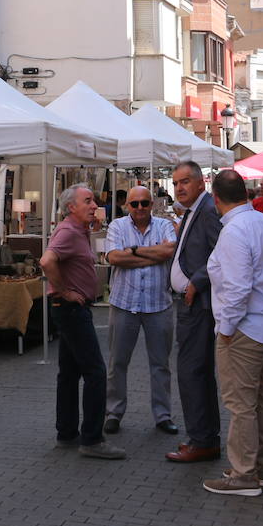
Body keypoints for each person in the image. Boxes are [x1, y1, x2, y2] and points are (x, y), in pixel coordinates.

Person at [202, 170, 263, 497]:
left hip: (246, 328)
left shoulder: (235, 231)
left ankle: (243, 474)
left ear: (216, 199)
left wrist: (225, 328)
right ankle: (260, 467)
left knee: (241, 404)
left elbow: (238, 288)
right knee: (261, 399)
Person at [40, 185, 123, 459]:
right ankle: (92, 439)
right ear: (71, 207)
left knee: (69, 373)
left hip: (70, 309)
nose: (94, 204)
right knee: (95, 372)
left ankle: (66, 433)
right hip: (71, 309)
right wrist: (64, 291)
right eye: (87, 201)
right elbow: (47, 261)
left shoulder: (78, 229)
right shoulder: (67, 231)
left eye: (93, 200)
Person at [101, 186, 178, 435]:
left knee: (160, 364)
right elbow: (113, 258)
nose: (140, 208)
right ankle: (113, 412)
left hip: (159, 304)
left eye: (145, 203)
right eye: (135, 204)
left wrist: (132, 251)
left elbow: (169, 251)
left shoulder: (164, 225)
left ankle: (163, 415)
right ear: (127, 206)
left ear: (152, 203)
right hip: (125, 303)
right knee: (117, 363)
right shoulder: (117, 226)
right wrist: (153, 256)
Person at [165, 161, 222, 464]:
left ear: (201, 182)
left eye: (185, 181)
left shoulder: (209, 210)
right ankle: (203, 437)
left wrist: (196, 282)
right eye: (175, 183)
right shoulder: (192, 211)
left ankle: (202, 440)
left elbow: (220, 251)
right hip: (188, 303)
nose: (180, 188)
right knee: (193, 371)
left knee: (192, 372)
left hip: (197, 304)